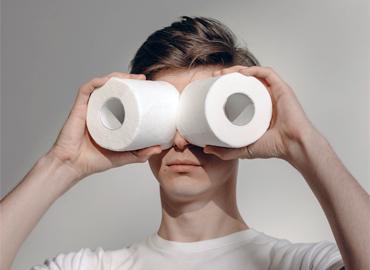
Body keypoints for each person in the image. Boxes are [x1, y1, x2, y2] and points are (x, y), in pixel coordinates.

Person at [0, 16, 369, 270]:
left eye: (200, 119)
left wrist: (302, 142)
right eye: (165, 117)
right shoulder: (91, 267)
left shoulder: (296, 264)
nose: (180, 140)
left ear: (242, 124)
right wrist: (62, 164)